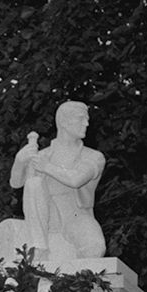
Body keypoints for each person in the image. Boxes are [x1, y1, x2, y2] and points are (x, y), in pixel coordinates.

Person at [9, 100, 106, 262]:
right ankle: (39, 247)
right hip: (48, 214)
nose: (86, 123)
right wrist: (19, 161)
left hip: (75, 215)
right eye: (81, 118)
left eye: (87, 119)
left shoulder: (93, 156)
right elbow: (16, 183)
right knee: (34, 184)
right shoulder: (43, 155)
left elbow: (76, 179)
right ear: (63, 121)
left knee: (95, 247)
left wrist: (46, 166)